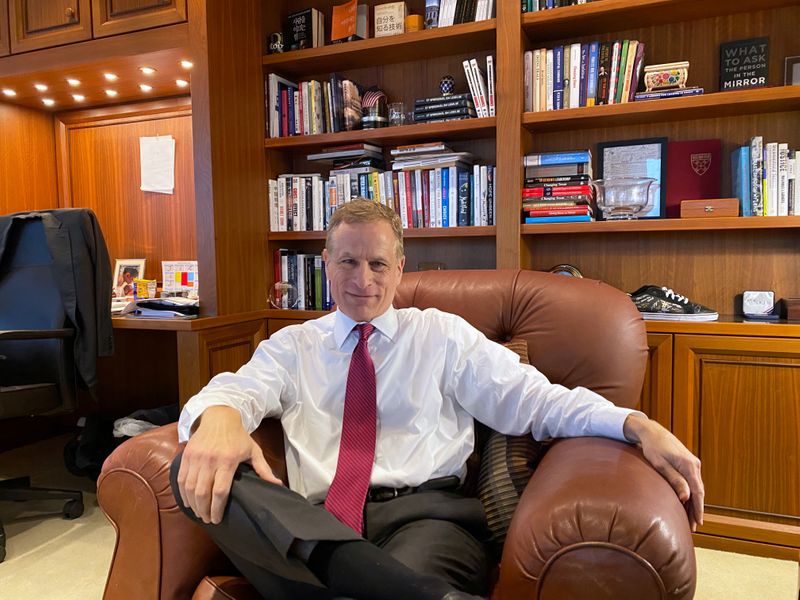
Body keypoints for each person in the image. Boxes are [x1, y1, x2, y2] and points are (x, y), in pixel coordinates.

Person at [171, 199, 704, 600]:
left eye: (378, 264)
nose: (362, 280)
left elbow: (536, 400)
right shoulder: (293, 346)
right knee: (188, 465)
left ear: (401, 267)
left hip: (425, 518)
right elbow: (236, 389)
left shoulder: (442, 336)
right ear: (326, 263)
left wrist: (636, 424)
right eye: (348, 261)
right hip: (313, 519)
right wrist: (220, 417)